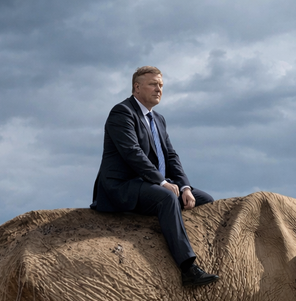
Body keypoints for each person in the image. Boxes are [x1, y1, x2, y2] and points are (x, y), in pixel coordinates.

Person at [91, 66, 219, 287]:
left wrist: (185, 187)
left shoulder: (158, 119)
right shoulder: (121, 113)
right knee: (166, 198)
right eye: (152, 84)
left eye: (160, 85)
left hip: (151, 183)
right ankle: (188, 269)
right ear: (136, 87)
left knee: (205, 199)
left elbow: (170, 156)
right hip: (123, 185)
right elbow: (133, 153)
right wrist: (161, 182)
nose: (158, 89)